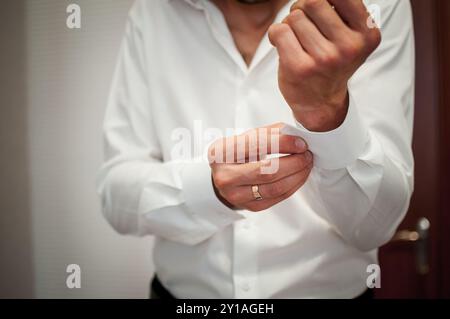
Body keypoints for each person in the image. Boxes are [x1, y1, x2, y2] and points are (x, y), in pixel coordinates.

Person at [97, 0, 415, 298]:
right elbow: (115, 192)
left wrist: (329, 113)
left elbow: (375, 228)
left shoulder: (375, 5)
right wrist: (207, 191)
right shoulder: (153, 11)